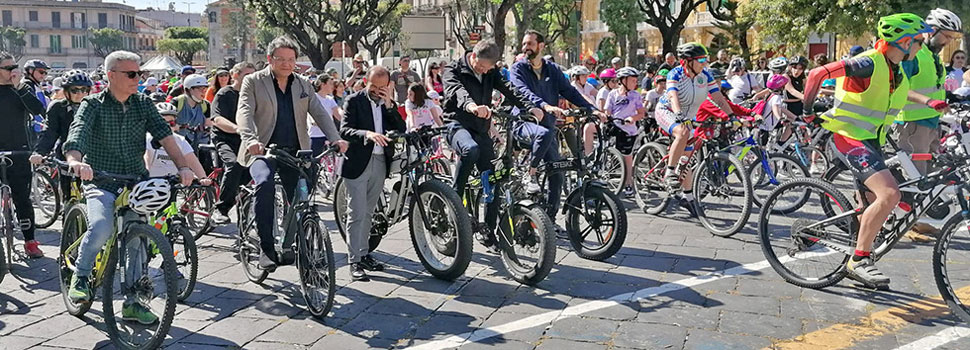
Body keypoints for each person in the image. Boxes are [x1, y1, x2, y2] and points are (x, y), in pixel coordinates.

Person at [800, 13, 944, 288]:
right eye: (918, 40)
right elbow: (818, 73)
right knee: (890, 193)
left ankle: (848, 243)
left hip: (871, 140)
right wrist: (807, 113)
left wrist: (929, 101)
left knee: (869, 204)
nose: (921, 45)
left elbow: (898, 93)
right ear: (903, 41)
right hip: (848, 138)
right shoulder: (868, 62)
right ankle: (859, 260)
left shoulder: (897, 68)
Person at [63, 50, 196, 324]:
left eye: (141, 73)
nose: (139, 78)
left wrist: (184, 167)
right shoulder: (93, 105)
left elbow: (166, 137)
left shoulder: (143, 104)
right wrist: (75, 161)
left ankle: (134, 302)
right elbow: (78, 133)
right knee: (101, 226)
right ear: (111, 75)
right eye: (132, 74)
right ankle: (82, 274)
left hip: (135, 181)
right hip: (101, 179)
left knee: (138, 242)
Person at [236, 36, 348, 271]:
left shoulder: (303, 84)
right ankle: (265, 247)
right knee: (264, 184)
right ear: (270, 59)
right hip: (263, 150)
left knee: (302, 197)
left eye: (291, 59)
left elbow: (319, 113)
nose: (287, 64)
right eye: (281, 59)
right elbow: (244, 112)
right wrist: (251, 140)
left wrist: (335, 137)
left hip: (296, 151)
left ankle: (302, 242)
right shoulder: (253, 82)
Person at [442, 39, 542, 251]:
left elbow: (509, 88)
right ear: (473, 56)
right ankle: (455, 198)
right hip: (456, 124)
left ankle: (488, 231)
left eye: (488, 68)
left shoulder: (491, 72)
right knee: (470, 150)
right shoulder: (453, 68)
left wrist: (529, 107)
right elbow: (456, 90)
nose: (483, 71)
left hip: (480, 128)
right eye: (480, 66)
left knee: (494, 177)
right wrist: (470, 105)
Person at [509, 30, 600, 223]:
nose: (526, 48)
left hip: (547, 130)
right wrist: (544, 105)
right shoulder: (518, 69)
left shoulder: (552, 69)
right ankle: (530, 174)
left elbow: (569, 91)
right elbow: (522, 91)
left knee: (557, 174)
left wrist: (592, 109)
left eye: (530, 44)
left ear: (541, 46)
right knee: (543, 136)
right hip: (523, 124)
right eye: (524, 44)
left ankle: (548, 221)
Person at [654, 42, 737, 215]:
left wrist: (731, 116)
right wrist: (678, 114)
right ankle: (669, 172)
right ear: (687, 61)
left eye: (705, 59)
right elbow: (673, 95)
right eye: (700, 60)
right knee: (682, 132)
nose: (704, 63)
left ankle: (688, 198)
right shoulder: (674, 73)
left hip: (688, 117)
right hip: (668, 111)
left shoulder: (705, 75)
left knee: (687, 158)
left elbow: (719, 98)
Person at [339, 66, 406, 281]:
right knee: (356, 212)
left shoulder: (387, 104)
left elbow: (401, 127)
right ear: (366, 81)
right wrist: (367, 134)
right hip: (357, 162)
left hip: (379, 161)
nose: (377, 90)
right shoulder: (354, 101)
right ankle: (354, 261)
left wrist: (389, 105)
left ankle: (364, 252)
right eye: (374, 86)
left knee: (369, 212)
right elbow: (345, 130)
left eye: (382, 87)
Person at [0, 52, 46, 258]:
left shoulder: (22, 88)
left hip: (19, 150)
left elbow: (38, 110)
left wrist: (19, 87)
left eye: (15, 67)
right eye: (8, 68)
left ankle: (30, 241)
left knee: (22, 198)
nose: (13, 72)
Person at [31, 70, 92, 201]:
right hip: (66, 156)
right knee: (68, 198)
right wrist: (39, 152)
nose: (80, 94)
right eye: (75, 90)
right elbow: (50, 132)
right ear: (66, 91)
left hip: (92, 157)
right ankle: (68, 215)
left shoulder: (94, 106)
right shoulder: (57, 107)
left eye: (84, 90)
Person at [210, 62, 256, 224]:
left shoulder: (253, 95)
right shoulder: (224, 94)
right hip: (225, 138)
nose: (251, 79)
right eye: (247, 75)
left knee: (252, 175)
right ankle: (221, 208)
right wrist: (238, 129)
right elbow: (217, 119)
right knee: (234, 165)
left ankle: (246, 223)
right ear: (235, 75)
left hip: (247, 141)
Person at [603, 67, 645, 197]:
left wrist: (632, 118)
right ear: (623, 81)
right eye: (632, 80)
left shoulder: (635, 95)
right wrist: (606, 117)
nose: (635, 83)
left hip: (629, 130)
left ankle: (628, 183)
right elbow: (607, 111)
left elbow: (642, 113)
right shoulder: (613, 94)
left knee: (627, 158)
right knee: (605, 151)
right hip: (615, 128)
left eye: (636, 80)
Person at [145, 103, 211, 182]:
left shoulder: (180, 140)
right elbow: (146, 160)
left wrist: (203, 178)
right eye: (163, 123)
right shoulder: (148, 138)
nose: (168, 127)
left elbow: (193, 162)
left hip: (172, 185)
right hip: (150, 184)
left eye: (171, 123)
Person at [170, 73, 213, 171]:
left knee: (207, 166)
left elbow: (208, 123)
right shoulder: (177, 102)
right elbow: (168, 121)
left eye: (205, 88)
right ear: (188, 90)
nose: (203, 92)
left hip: (199, 141)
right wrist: (178, 126)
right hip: (181, 142)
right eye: (199, 88)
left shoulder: (205, 105)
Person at [310, 74, 343, 155]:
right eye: (330, 84)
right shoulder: (314, 97)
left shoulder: (330, 99)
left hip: (329, 136)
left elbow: (338, 114)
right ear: (323, 84)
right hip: (316, 136)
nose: (333, 86)